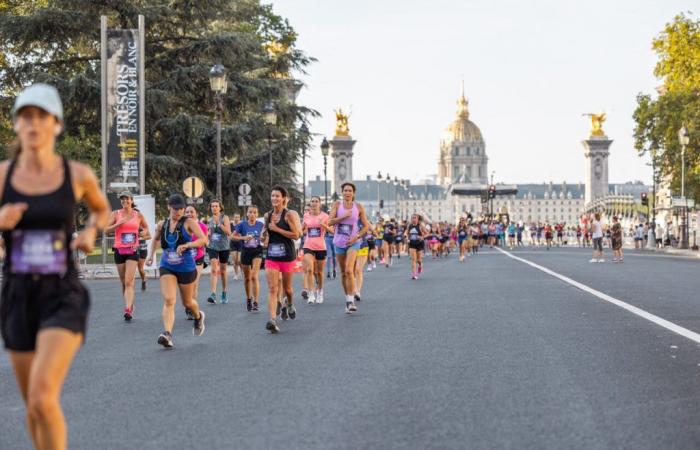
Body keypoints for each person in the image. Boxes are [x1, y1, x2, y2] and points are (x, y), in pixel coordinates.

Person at [1, 84, 110, 450]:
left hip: (62, 293)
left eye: (41, 117)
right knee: (33, 408)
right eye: (26, 117)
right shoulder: (3, 175)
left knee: (42, 396)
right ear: (17, 125)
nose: (33, 124)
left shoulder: (77, 174)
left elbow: (101, 209)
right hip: (17, 293)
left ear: (57, 125)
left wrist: (92, 231)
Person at [147, 194, 208, 348]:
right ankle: (167, 334)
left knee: (187, 302)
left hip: (186, 267)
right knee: (169, 299)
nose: (179, 211)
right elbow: (155, 239)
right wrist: (150, 256)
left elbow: (203, 240)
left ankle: (198, 316)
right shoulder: (163, 224)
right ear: (169, 207)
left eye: (181, 208)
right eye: (176, 209)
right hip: (167, 265)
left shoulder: (189, 222)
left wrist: (188, 245)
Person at [105, 191, 150, 321]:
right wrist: (120, 222)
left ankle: (128, 309)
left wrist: (143, 234)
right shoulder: (115, 214)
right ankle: (130, 303)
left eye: (127, 199)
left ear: (131, 200)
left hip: (133, 250)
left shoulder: (138, 215)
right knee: (123, 282)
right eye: (122, 199)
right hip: (119, 250)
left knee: (129, 280)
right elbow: (106, 229)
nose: (124, 201)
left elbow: (146, 229)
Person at [263, 186, 302, 333]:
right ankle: (272, 320)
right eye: (272, 196)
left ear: (284, 198)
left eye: (277, 196)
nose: (274, 198)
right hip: (272, 255)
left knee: (288, 289)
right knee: (273, 288)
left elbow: (297, 235)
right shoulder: (268, 215)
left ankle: (290, 304)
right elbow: (265, 232)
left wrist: (277, 229)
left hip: (287, 256)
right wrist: (263, 236)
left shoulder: (290, 214)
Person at [329, 183, 370, 314]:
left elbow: (366, 226)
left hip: (353, 242)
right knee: (343, 272)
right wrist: (343, 216)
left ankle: (351, 301)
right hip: (339, 242)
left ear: (353, 193)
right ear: (342, 192)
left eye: (350, 191)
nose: (347, 193)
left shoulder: (358, 207)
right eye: (345, 190)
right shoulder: (337, 205)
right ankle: (347, 298)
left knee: (349, 270)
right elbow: (329, 222)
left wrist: (357, 237)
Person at [232, 205, 264, 312]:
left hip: (257, 251)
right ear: (247, 214)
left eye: (254, 212)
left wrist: (264, 239)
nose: (252, 214)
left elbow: (265, 236)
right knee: (247, 278)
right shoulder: (242, 225)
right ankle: (248, 299)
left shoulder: (261, 225)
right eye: (250, 212)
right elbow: (232, 236)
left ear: (257, 214)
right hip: (245, 251)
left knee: (254, 276)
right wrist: (243, 237)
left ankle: (256, 302)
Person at [301, 196, 330, 305]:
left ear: (320, 204)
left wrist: (323, 225)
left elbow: (332, 231)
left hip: (320, 247)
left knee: (319, 272)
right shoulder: (306, 215)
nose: (313, 203)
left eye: (316, 201)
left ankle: (320, 292)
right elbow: (302, 228)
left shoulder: (325, 216)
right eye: (312, 201)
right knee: (309, 270)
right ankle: (311, 293)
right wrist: (299, 229)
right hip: (308, 246)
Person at [184, 205, 208, 320]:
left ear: (196, 214)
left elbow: (205, 242)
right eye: (187, 212)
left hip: (198, 257)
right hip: (185, 259)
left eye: (192, 212)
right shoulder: (182, 226)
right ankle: (188, 304)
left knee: (194, 284)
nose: (189, 214)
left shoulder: (202, 226)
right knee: (186, 285)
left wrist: (192, 245)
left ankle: (191, 309)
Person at [206, 199, 232, 304]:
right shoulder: (210, 219)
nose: (214, 208)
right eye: (212, 206)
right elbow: (210, 232)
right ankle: (213, 294)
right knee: (213, 268)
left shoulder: (224, 218)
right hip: (212, 246)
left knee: (223, 270)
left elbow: (229, 232)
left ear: (220, 207)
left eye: (216, 206)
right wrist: (207, 236)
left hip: (224, 247)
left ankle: (224, 292)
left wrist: (219, 224)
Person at [407, 214, 428, 279]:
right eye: (412, 218)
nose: (414, 219)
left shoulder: (420, 226)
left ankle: (420, 265)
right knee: (413, 259)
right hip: (412, 243)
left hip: (419, 243)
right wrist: (407, 238)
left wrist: (422, 237)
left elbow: (427, 234)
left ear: (418, 219)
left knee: (419, 260)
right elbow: (407, 233)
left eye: (415, 218)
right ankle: (414, 275)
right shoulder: (409, 226)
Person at [229, 212, 242, 281]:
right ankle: (236, 274)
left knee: (239, 260)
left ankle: (242, 271)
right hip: (233, 243)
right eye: (235, 217)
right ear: (233, 218)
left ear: (240, 218)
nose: (236, 218)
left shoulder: (241, 225)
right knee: (235, 261)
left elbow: (242, 234)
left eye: (238, 217)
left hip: (240, 243)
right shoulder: (230, 225)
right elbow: (229, 234)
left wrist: (239, 235)